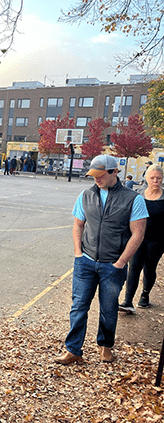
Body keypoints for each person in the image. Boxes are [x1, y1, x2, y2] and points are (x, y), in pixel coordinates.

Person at [55, 155, 148, 365]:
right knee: (78, 306)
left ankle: (105, 346)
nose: (96, 179)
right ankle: (73, 350)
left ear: (114, 172)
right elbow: (78, 224)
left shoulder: (134, 199)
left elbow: (138, 234)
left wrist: (121, 263)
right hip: (85, 261)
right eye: (93, 175)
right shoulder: (86, 195)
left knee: (108, 307)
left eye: (100, 175)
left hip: (113, 264)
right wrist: (78, 253)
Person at [119, 165, 164, 313]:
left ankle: (145, 295)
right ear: (146, 178)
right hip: (137, 238)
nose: (155, 181)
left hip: (157, 240)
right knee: (134, 268)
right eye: (152, 178)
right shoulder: (137, 195)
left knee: (149, 268)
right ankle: (127, 301)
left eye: (158, 178)